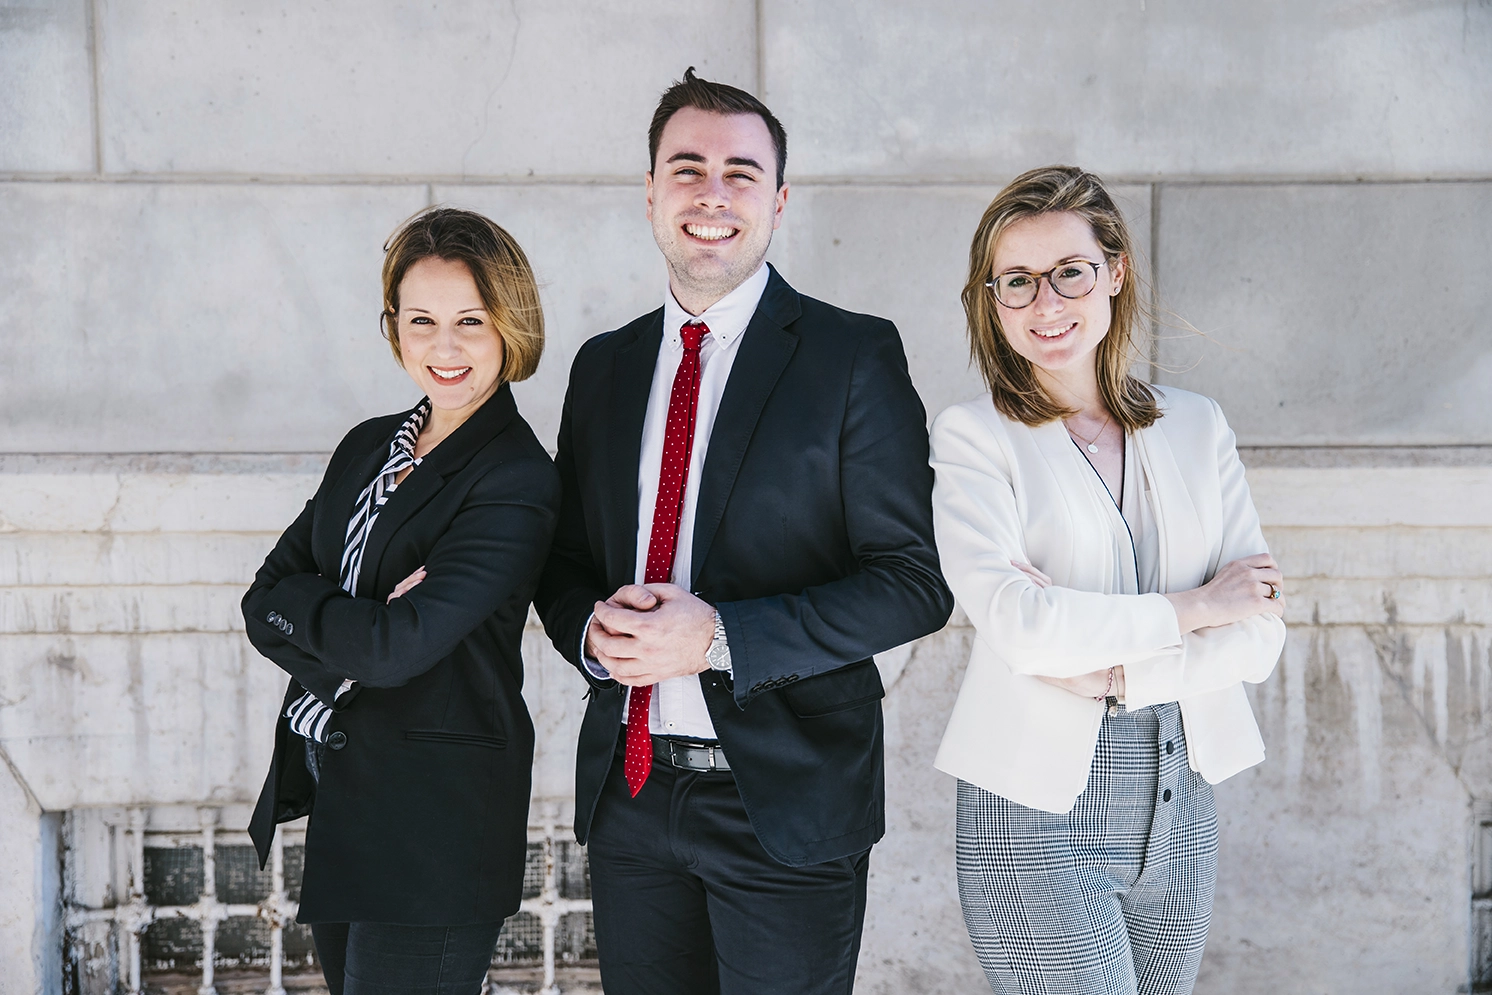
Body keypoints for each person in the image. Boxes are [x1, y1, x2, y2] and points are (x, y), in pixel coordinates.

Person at [533, 68, 953, 995]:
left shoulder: (852, 355)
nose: (711, 194)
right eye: (686, 168)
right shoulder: (602, 368)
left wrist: (718, 635)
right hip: (631, 796)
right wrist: (591, 636)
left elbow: (913, 583)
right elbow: (561, 564)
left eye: (739, 172)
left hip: (786, 804)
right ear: (650, 193)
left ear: (778, 200)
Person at [929, 165, 1287, 995]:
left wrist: (1122, 672)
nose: (1045, 304)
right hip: (1034, 816)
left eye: (1069, 273)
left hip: (1182, 808)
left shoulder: (1197, 425)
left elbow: (1261, 633)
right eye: (1016, 282)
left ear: (1115, 271)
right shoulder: (975, 437)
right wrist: (1199, 607)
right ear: (991, 298)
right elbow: (1020, 624)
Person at [243, 207, 560, 995]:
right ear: (393, 325)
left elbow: (396, 648)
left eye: (469, 321)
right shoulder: (367, 446)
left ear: (509, 324)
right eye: (421, 320)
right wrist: (361, 619)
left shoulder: (516, 479)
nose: (443, 347)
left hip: (437, 832)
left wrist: (324, 608)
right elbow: (262, 599)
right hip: (347, 800)